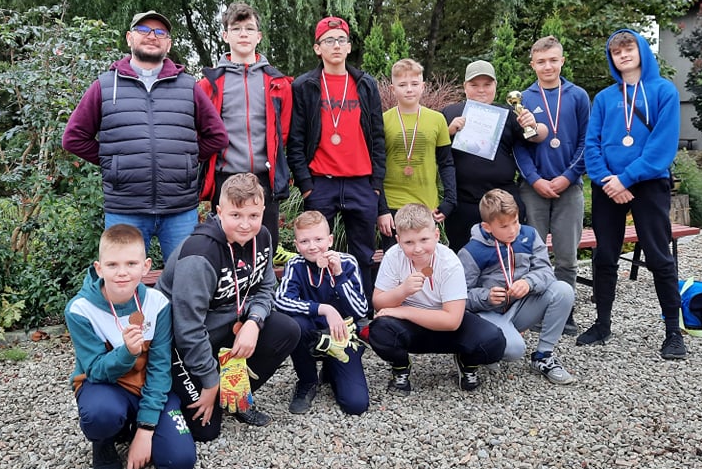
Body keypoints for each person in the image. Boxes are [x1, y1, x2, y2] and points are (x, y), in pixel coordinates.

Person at [62, 11, 228, 261]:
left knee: (186, 277)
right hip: (125, 208)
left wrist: (185, 159)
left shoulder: (188, 86)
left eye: (160, 32)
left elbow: (217, 136)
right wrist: (113, 162)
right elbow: (73, 138)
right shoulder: (105, 86)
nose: (152, 36)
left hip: (180, 209)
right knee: (123, 279)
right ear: (129, 38)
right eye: (144, 30)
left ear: (168, 44)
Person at [159, 172, 299, 441]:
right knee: (205, 432)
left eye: (253, 215)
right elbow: (188, 329)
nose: (245, 224)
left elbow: (266, 287)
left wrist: (254, 322)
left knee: (286, 330)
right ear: (219, 212)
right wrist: (209, 381)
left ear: (263, 212)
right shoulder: (200, 255)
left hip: (228, 328)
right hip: (182, 346)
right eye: (236, 215)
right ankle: (180, 395)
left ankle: (233, 396)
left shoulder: (263, 237)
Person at [578, 29, 687, 360]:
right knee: (605, 255)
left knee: (659, 256)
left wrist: (626, 179)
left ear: (641, 50)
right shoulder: (604, 98)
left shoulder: (664, 91)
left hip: (648, 183)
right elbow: (592, 144)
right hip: (607, 185)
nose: (623, 55)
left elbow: (662, 146)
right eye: (616, 52)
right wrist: (606, 179)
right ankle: (602, 324)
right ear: (611, 58)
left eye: (629, 49)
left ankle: (673, 332)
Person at [65, 223, 197, 469]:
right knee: (100, 414)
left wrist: (146, 428)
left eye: (131, 264)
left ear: (146, 267)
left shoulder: (158, 304)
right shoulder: (80, 310)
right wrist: (126, 352)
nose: (122, 273)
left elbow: (160, 367)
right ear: (99, 268)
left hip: (147, 387)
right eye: (112, 265)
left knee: (180, 461)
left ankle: (136, 425)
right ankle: (104, 442)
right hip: (107, 386)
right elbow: (94, 371)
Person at [288, 16, 386, 300]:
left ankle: (362, 310)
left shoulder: (365, 84)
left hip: (361, 183)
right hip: (322, 183)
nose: (336, 46)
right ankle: (320, 310)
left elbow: (377, 137)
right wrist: (306, 186)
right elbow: (296, 140)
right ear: (317, 48)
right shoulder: (305, 85)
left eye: (341, 40)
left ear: (349, 46)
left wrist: (375, 185)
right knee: (316, 252)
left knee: (364, 254)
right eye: (329, 40)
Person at [368, 203, 506, 393]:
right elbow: (378, 303)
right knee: (379, 329)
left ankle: (467, 361)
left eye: (424, 239)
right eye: (409, 242)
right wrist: (403, 291)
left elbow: (452, 321)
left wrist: (404, 310)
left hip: (445, 324)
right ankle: (400, 367)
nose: (418, 249)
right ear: (398, 240)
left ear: (436, 235)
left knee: (494, 341)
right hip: (409, 328)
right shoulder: (393, 256)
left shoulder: (449, 262)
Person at [198, 2, 295, 266]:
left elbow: (284, 132)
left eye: (249, 29)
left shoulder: (278, 83)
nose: (243, 34)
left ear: (258, 36)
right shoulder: (209, 84)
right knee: (225, 252)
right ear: (225, 35)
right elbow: (202, 131)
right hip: (226, 177)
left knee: (265, 251)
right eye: (236, 28)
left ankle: (264, 293)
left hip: (264, 178)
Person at [458, 189, 576, 385]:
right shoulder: (471, 251)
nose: (513, 230)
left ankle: (543, 356)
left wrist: (528, 282)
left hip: (520, 307)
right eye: (504, 226)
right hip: (487, 314)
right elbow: (460, 296)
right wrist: (486, 297)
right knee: (514, 350)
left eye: (515, 222)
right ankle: (474, 350)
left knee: (563, 290)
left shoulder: (529, 235)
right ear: (487, 227)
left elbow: (546, 272)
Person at [513, 36, 590, 335]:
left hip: (569, 187)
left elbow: (586, 141)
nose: (548, 66)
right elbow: (518, 147)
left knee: (567, 256)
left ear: (562, 61)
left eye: (553, 60)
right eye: (541, 61)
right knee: (533, 256)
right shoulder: (524, 99)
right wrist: (535, 180)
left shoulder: (578, 96)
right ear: (532, 64)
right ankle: (534, 312)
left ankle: (565, 312)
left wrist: (568, 176)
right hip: (534, 189)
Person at [442, 59, 546, 253]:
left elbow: (537, 137)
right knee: (464, 256)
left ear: (495, 86)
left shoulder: (508, 113)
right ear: (465, 87)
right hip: (464, 203)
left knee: (510, 256)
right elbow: (433, 148)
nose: (481, 90)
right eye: (474, 85)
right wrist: (448, 132)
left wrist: (533, 124)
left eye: (487, 84)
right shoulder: (450, 113)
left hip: (503, 201)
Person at [275, 210, 369, 415]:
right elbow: (281, 300)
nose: (312, 246)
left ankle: (332, 368)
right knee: (294, 325)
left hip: (341, 336)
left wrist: (339, 275)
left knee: (355, 404)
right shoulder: (295, 265)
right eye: (305, 241)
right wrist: (323, 309)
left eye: (318, 239)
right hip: (310, 331)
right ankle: (307, 381)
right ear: (297, 245)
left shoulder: (347, 263)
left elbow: (361, 309)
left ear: (330, 240)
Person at [378, 58, 457, 248]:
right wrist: (381, 209)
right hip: (393, 205)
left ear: (423, 86)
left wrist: (450, 200)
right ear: (392, 89)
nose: (409, 89)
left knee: (424, 256)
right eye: (402, 85)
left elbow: (446, 163)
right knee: (395, 259)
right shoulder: (382, 121)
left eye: (414, 84)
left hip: (427, 205)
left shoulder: (437, 119)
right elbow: (376, 167)